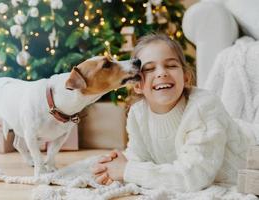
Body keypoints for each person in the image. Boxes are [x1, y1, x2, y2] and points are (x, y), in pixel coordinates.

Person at [91, 33, 257, 192]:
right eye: (149, 69)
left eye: (171, 65)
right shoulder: (138, 114)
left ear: (185, 78)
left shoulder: (204, 107)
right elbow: (138, 157)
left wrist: (127, 170)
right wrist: (113, 168)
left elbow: (193, 176)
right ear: (137, 85)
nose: (162, 72)